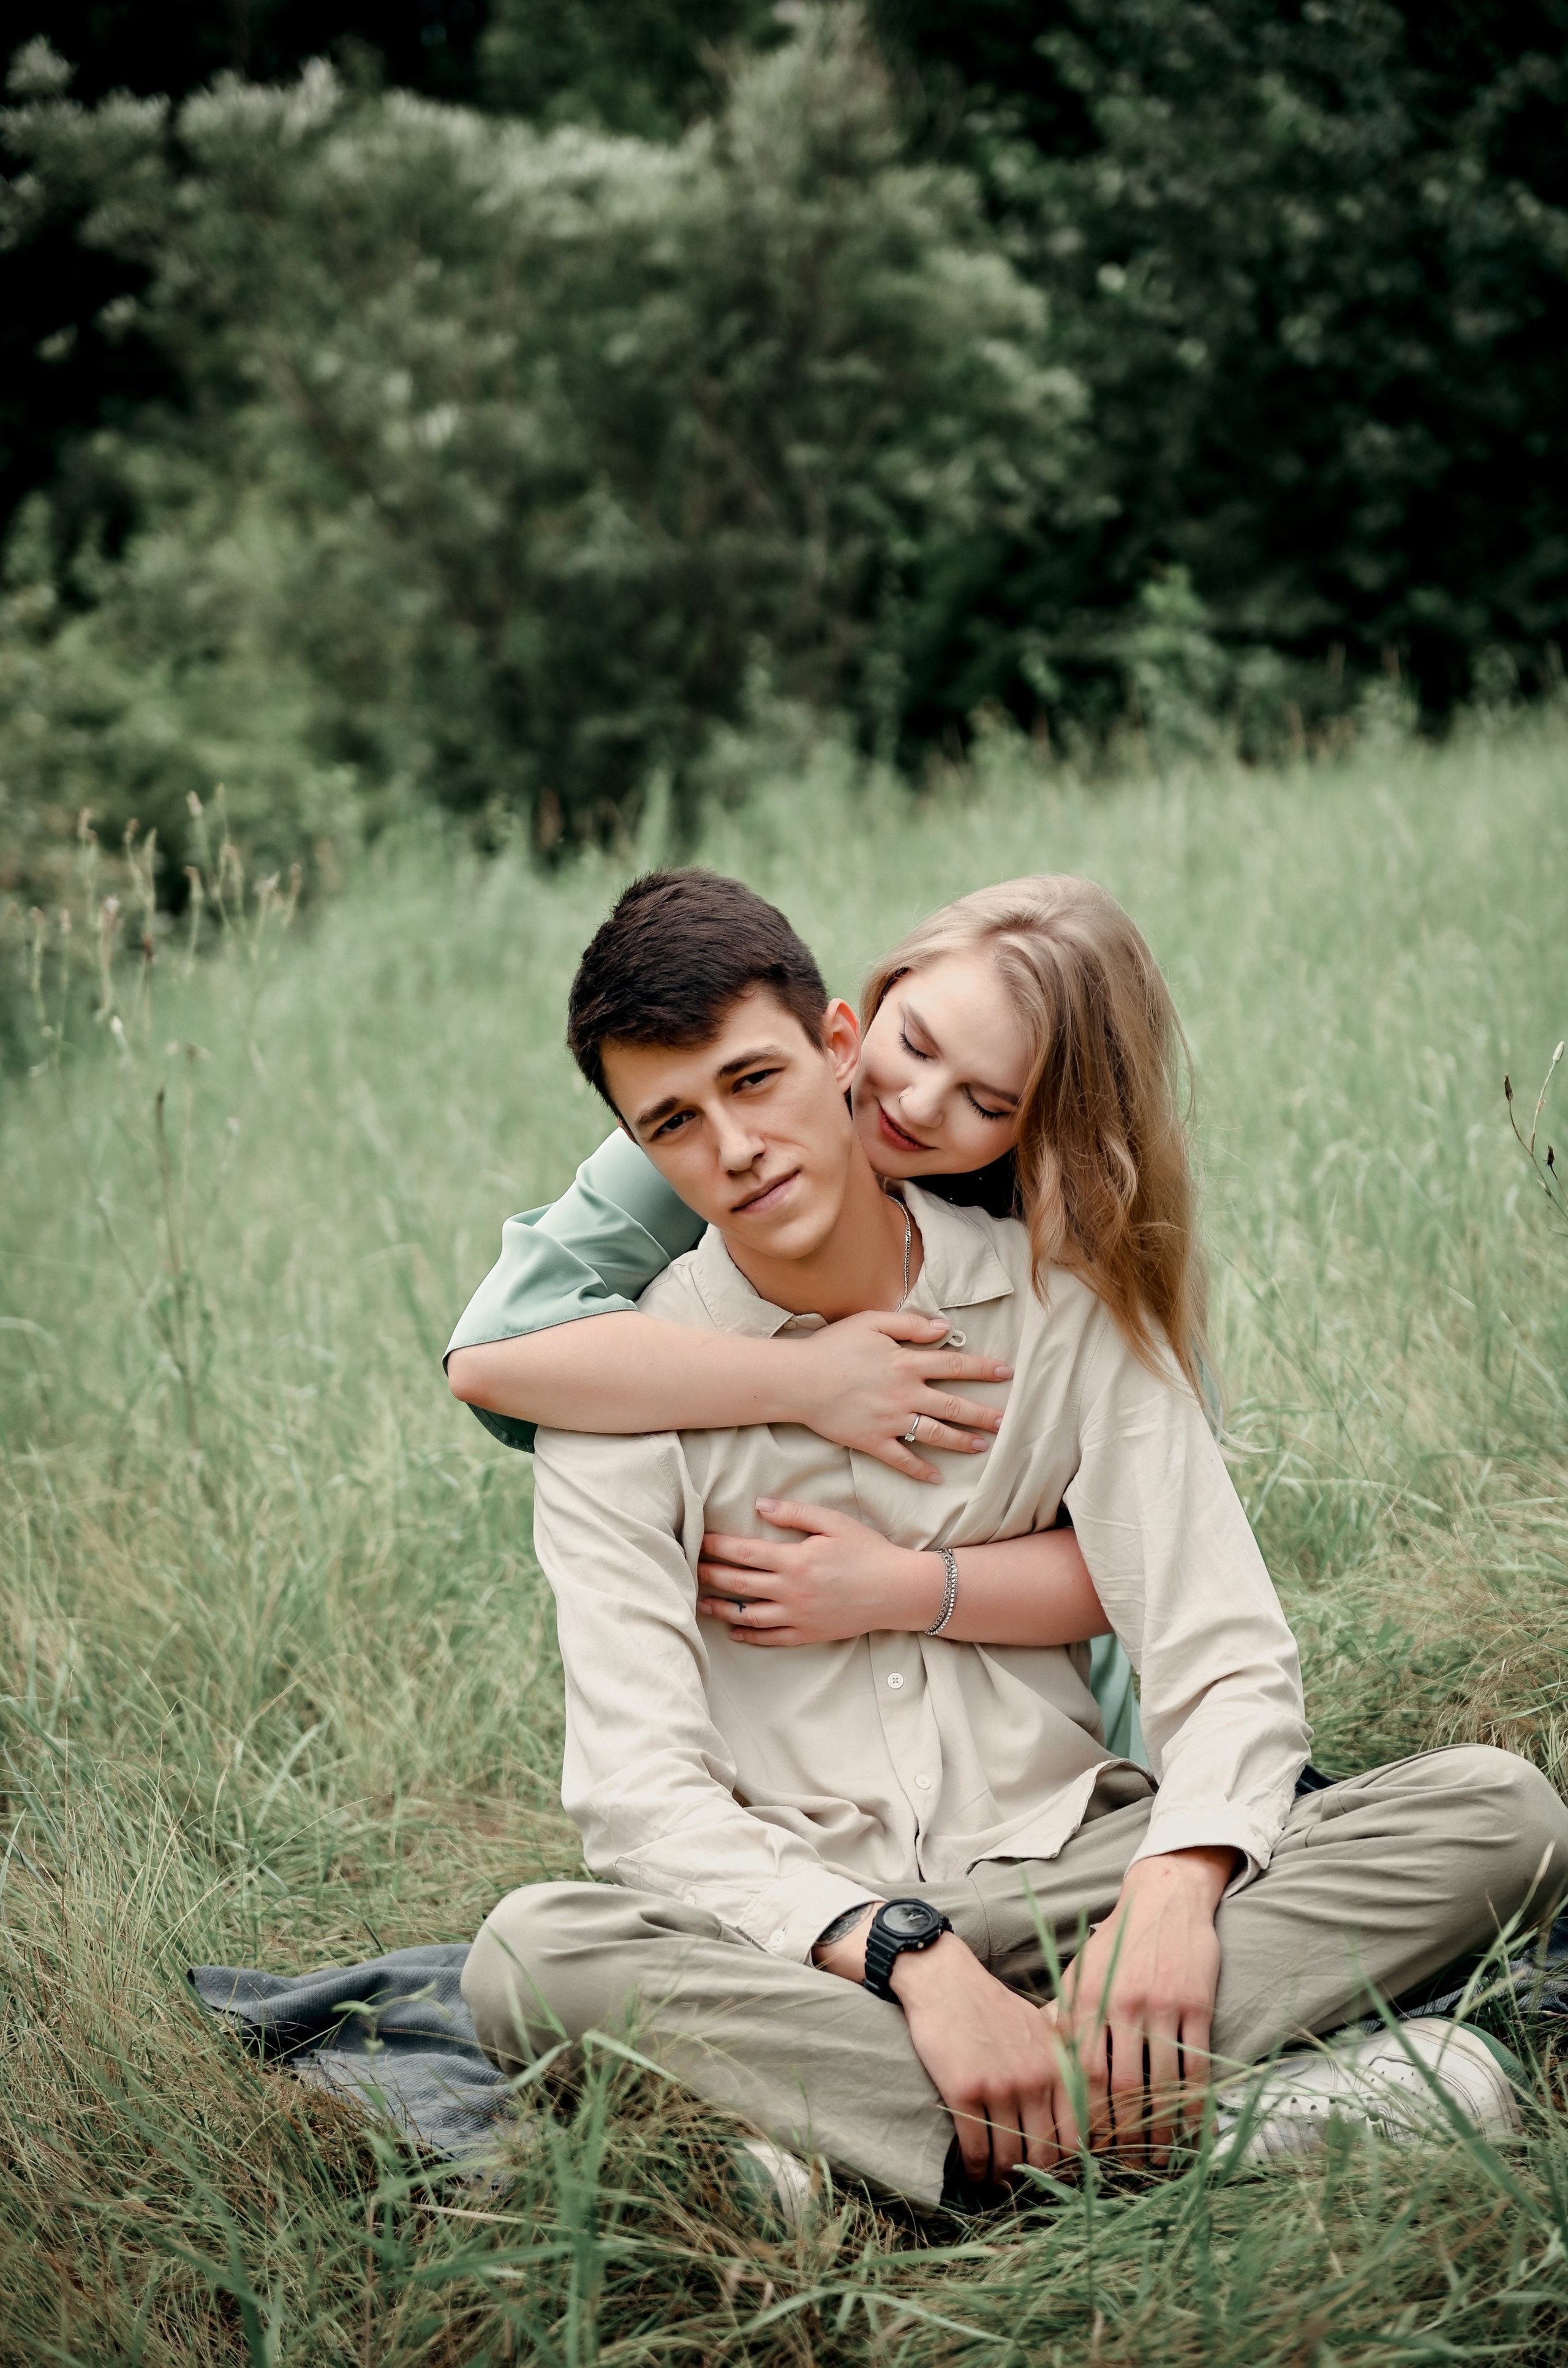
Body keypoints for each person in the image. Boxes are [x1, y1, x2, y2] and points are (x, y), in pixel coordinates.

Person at [454, 870, 1568, 2208]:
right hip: (812, 1925)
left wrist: (1171, 1888)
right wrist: (905, 1958)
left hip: (1075, 1867)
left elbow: (1217, 1654)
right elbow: (640, 1797)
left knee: (1498, 1812)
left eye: (754, 1082)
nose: (733, 1148)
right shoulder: (611, 1396)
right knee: (528, 1958)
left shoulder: (1068, 1314)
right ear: (640, 1145)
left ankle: (882, 2159)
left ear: (836, 1046)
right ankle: (1204, 2119)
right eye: (674, 1123)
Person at [446, 870, 1211, 1760]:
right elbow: (492, 1357)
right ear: (862, 1017)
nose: (917, 1104)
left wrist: (906, 1586)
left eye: (987, 1101)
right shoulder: (728, 1115)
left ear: (1051, 1124)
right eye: (916, 1044)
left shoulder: (1076, 1251)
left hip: (1050, 1740)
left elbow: (1161, 1556)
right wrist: (809, 1381)